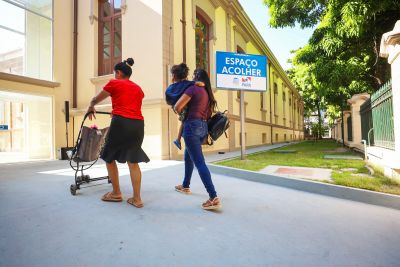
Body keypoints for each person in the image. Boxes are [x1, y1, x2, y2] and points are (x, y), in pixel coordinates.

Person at [87, 57, 150, 208]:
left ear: (119, 73)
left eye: (115, 73)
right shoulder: (138, 89)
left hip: (121, 123)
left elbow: (98, 98)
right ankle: (137, 198)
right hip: (138, 124)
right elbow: (130, 105)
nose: (115, 76)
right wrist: (116, 111)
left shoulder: (115, 83)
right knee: (133, 161)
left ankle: (116, 193)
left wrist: (91, 104)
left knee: (109, 156)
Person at [174, 69, 221, 210]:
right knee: (189, 157)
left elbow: (177, 107)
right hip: (202, 128)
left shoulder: (193, 89)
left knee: (199, 163)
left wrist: (182, 111)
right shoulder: (207, 93)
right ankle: (185, 185)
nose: (192, 78)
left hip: (191, 127)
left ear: (197, 77)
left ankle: (213, 197)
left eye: (193, 76)